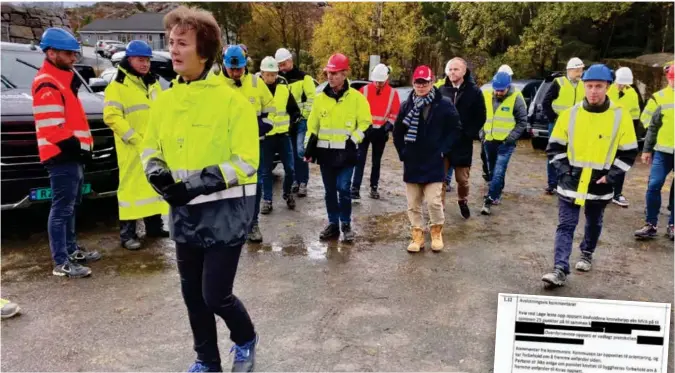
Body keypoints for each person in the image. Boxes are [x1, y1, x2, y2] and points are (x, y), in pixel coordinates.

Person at [141, 6, 259, 372]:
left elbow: (246, 160)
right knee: (192, 296)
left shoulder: (231, 102)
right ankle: (207, 360)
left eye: (183, 44)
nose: (173, 50)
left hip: (225, 215)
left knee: (215, 296)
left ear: (204, 52)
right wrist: (157, 173)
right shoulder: (164, 101)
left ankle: (245, 338)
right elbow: (150, 148)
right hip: (185, 216)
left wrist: (192, 185)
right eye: (171, 42)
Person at [542, 64, 638, 288]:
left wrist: (611, 176)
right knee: (566, 225)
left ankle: (586, 253)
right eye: (590, 86)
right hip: (571, 181)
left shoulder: (620, 116)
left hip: (600, 183)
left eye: (599, 86)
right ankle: (559, 269)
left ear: (608, 87)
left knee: (594, 222)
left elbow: (629, 151)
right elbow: (554, 147)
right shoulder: (570, 114)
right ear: (584, 86)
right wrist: (564, 171)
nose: (594, 91)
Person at [32, 27, 101, 278]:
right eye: (69, 54)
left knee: (70, 207)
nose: (74, 59)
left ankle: (71, 251)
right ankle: (61, 262)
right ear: (51, 53)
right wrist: (80, 149)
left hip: (70, 156)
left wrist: (82, 151)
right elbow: (53, 128)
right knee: (62, 209)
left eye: (75, 54)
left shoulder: (61, 79)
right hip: (61, 156)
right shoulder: (47, 83)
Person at [103, 40, 169, 250]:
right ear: (129, 60)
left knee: (153, 185)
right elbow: (112, 117)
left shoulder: (153, 83)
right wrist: (134, 138)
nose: (145, 64)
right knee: (131, 190)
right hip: (131, 148)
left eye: (147, 60)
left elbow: (161, 112)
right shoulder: (118, 86)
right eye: (141, 60)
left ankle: (154, 227)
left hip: (153, 146)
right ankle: (127, 234)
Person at [303, 53, 370, 242]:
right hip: (326, 154)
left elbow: (365, 123)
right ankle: (333, 224)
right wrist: (308, 148)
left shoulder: (356, 98)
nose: (330, 77)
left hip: (347, 154)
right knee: (330, 191)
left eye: (334, 73)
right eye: (328, 73)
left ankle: (346, 224)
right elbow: (312, 126)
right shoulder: (320, 98)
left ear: (344, 74)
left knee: (343, 188)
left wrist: (353, 140)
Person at [394, 65, 461, 253]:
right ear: (413, 83)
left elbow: (456, 129)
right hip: (412, 161)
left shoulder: (444, 104)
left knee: (433, 202)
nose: (421, 86)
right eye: (418, 82)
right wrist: (403, 153)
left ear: (432, 82)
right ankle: (417, 236)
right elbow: (397, 132)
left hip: (434, 161)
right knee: (413, 203)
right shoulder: (407, 105)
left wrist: (443, 150)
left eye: (425, 82)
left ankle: (436, 232)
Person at [222, 45, 275, 244]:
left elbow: (271, 109)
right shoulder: (215, 84)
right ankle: (230, 225)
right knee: (227, 184)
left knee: (254, 185)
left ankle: (253, 224)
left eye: (239, 69)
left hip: (253, 145)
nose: (235, 73)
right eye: (231, 69)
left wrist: (263, 126)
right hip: (224, 147)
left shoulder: (256, 82)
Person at [437, 57, 487, 219]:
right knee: (440, 179)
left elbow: (481, 116)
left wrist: (468, 134)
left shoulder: (474, 92)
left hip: (462, 143)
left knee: (462, 180)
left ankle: (462, 200)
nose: (452, 72)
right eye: (450, 69)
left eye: (456, 69)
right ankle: (439, 210)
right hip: (444, 142)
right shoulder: (441, 90)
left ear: (464, 71)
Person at [634, 65, 674, 241]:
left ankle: (672, 226)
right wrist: (647, 150)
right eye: (672, 78)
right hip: (662, 151)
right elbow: (653, 126)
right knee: (654, 185)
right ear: (668, 78)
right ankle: (651, 224)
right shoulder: (660, 98)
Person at [479, 72, 528, 215]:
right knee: (492, 171)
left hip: (506, 143)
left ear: (508, 87)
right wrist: (482, 133)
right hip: (489, 140)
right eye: (496, 89)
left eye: (501, 90)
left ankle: (489, 199)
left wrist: (510, 138)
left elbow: (522, 122)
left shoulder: (516, 98)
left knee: (499, 171)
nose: (498, 92)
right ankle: (496, 194)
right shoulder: (487, 95)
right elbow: (481, 116)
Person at [258, 56, 301, 214]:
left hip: (283, 136)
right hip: (266, 137)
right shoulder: (257, 91)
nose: (271, 77)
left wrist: (292, 123)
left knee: (290, 169)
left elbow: (294, 110)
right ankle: (267, 200)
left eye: (273, 74)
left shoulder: (283, 88)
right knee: (266, 170)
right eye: (268, 74)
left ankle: (287, 193)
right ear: (262, 73)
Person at [351, 63, 401, 200]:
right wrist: (362, 127)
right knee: (359, 159)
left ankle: (374, 188)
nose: (378, 84)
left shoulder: (392, 93)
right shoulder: (364, 90)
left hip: (380, 133)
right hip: (365, 131)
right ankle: (355, 189)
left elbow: (395, 113)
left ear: (387, 79)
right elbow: (357, 110)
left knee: (376, 162)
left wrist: (387, 127)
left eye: (381, 81)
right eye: (376, 81)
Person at [276, 47, 316, 198]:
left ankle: (303, 182)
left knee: (300, 151)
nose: (281, 67)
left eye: (283, 64)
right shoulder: (278, 79)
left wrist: (303, 116)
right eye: (279, 65)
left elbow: (311, 98)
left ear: (290, 61)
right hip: (286, 122)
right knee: (291, 154)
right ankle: (294, 181)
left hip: (301, 121)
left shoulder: (304, 78)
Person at [542, 57, 585, 195]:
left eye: (581, 70)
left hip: (576, 126)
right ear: (570, 70)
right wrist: (553, 119)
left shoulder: (583, 84)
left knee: (572, 154)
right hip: (558, 125)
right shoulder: (559, 83)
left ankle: (566, 180)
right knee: (554, 153)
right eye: (578, 70)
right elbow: (546, 102)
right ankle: (552, 184)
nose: (580, 73)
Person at [606, 67, 642, 208]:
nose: (623, 86)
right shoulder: (608, 91)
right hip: (606, 135)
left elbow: (635, 117)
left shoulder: (632, 94)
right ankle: (603, 190)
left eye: (625, 84)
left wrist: (632, 136)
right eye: (621, 83)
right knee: (604, 164)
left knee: (620, 165)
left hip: (622, 136)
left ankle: (617, 193)